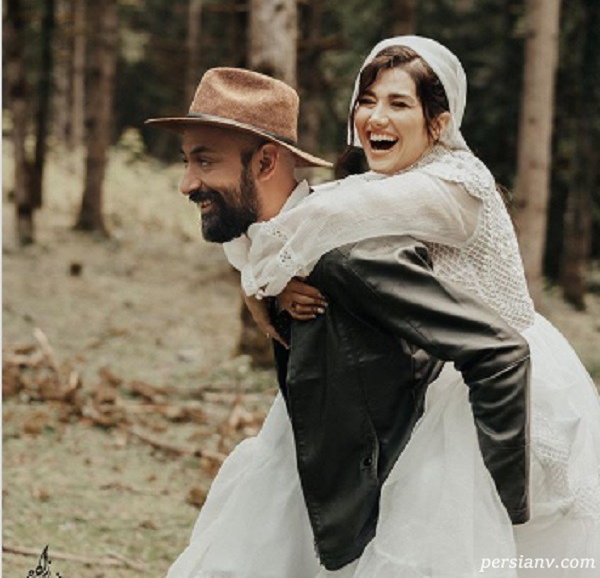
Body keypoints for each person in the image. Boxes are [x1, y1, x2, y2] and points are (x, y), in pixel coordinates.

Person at [222, 37, 600, 576]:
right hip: (427, 365)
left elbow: (322, 217)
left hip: (491, 378)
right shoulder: (385, 181)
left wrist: (257, 279)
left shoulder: (452, 186)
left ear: (438, 123)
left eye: (398, 103)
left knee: (457, 543)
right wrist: (269, 283)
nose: (375, 117)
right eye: (367, 100)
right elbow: (314, 218)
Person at [147, 64, 536, 577]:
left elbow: (500, 353)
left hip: (371, 504)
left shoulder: (348, 256)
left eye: (204, 161)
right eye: (187, 161)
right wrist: (263, 290)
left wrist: (503, 516)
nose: (186, 184)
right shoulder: (278, 250)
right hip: (306, 466)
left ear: (266, 162)